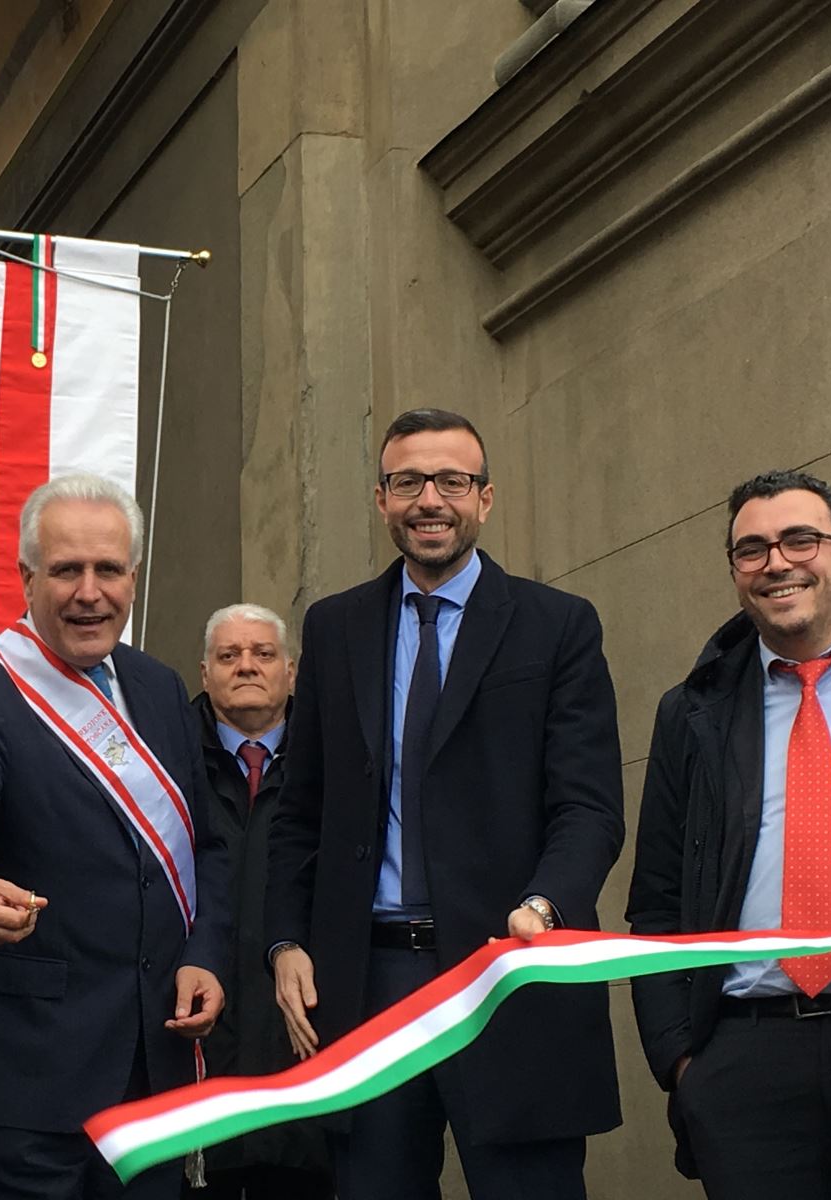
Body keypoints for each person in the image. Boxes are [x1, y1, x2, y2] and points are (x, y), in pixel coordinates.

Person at [265, 408, 624, 1199]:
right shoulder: (335, 627)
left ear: (485, 499)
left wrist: (545, 905)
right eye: (408, 482)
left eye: (451, 481)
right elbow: (300, 811)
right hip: (370, 985)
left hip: (509, 976)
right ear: (382, 499)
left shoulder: (557, 624)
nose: (430, 499)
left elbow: (590, 807)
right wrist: (285, 939)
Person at [0, 473, 230, 1199]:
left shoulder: (159, 687)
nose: (90, 592)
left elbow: (205, 848)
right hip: (31, 1082)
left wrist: (205, 953)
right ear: (27, 577)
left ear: (133, 578)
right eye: (67, 570)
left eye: (108, 570)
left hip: (156, 1066)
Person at [628, 468, 831, 1198]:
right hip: (747, 1051)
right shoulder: (693, 712)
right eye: (752, 549)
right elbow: (658, 899)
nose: (776, 562)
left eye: (800, 539)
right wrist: (683, 1060)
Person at [189, 603, 331, 1200]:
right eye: (229, 655)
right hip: (197, 1063)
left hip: (309, 1061)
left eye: (263, 654)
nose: (247, 667)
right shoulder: (164, 764)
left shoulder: (335, 764)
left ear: (292, 673)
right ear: (204, 673)